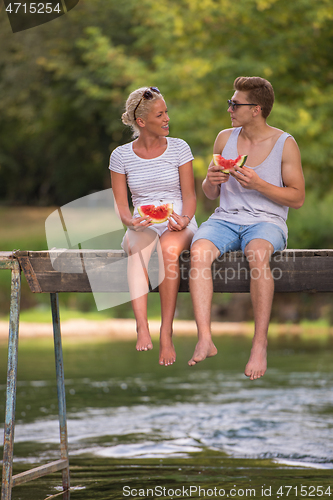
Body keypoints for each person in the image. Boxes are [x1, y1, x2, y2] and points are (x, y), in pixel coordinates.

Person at [189, 76, 305, 380]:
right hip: (225, 218)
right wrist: (209, 182)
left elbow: (298, 198)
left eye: (235, 103)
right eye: (230, 102)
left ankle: (259, 343)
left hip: (267, 221)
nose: (229, 108)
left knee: (256, 253)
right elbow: (210, 194)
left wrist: (259, 184)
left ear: (256, 109)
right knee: (198, 251)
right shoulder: (223, 138)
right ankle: (205, 337)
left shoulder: (285, 143)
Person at [109, 86, 197, 366]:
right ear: (142, 122)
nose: (167, 118)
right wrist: (129, 222)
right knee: (138, 248)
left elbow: (190, 196)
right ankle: (142, 326)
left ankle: (166, 331)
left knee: (169, 252)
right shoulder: (120, 156)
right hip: (141, 222)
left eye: (167, 112)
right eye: (161, 114)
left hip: (178, 220)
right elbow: (122, 205)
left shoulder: (180, 148)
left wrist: (184, 219)